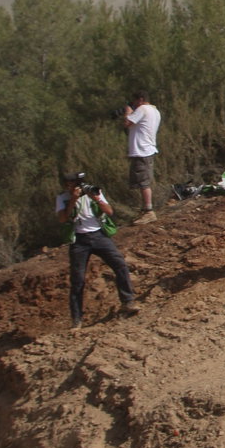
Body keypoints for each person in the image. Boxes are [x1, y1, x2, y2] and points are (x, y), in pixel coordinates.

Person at [57, 171, 137, 328]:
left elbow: (109, 211)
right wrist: (73, 199)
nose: (71, 186)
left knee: (119, 264)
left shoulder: (92, 192)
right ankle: (77, 319)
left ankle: (128, 301)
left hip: (99, 235)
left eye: (73, 183)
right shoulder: (62, 198)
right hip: (79, 240)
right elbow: (62, 219)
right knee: (78, 280)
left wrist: (97, 198)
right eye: (68, 184)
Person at [122, 90, 161, 222]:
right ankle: (145, 209)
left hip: (142, 150)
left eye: (134, 101)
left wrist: (128, 110)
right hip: (146, 149)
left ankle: (149, 211)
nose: (133, 104)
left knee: (143, 182)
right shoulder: (154, 110)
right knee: (142, 181)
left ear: (140, 99)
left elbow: (127, 123)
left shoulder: (143, 109)